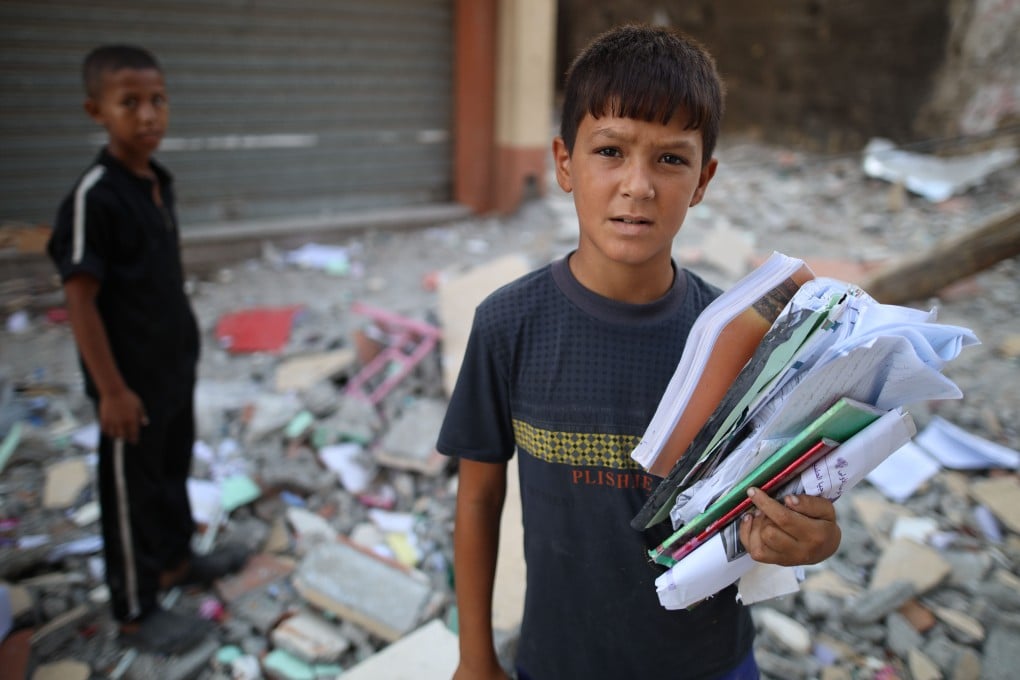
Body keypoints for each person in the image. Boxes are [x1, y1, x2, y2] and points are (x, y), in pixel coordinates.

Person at [437, 24, 842, 680]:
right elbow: (478, 499)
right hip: (558, 660)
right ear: (564, 163)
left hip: (708, 662)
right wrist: (475, 657)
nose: (638, 185)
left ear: (703, 179)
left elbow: (782, 505)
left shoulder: (744, 340)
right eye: (611, 151)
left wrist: (815, 537)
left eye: (670, 159)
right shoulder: (507, 325)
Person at [46, 45, 246, 654]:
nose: (148, 115)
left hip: (170, 369)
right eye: (128, 103)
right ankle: (135, 608)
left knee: (169, 469)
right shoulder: (95, 196)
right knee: (129, 491)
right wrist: (111, 389)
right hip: (125, 382)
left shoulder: (157, 182)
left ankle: (175, 560)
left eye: (157, 100)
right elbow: (80, 300)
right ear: (95, 112)